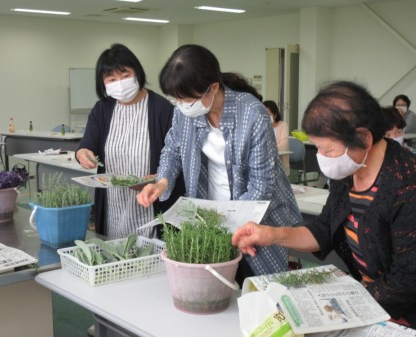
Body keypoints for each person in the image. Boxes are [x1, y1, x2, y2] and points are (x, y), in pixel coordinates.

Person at [232, 80, 416, 327]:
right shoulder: (348, 171)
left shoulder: (405, 183)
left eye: (327, 150)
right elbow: (323, 229)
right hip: (374, 299)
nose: (322, 159)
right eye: (317, 148)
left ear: (363, 137)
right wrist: (270, 234)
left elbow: (406, 280)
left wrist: (342, 309)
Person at [137, 44, 302, 278]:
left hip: (256, 214)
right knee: (216, 284)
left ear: (212, 88)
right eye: (176, 98)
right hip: (213, 211)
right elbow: (173, 149)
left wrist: (228, 221)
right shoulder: (184, 111)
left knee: (256, 283)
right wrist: (162, 182)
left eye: (186, 98)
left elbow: (262, 186)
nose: (181, 104)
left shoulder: (252, 114)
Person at [76, 43, 185, 239]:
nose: (119, 83)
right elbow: (87, 146)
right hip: (113, 203)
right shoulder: (102, 109)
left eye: (125, 76)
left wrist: (156, 179)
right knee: (114, 249)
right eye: (111, 79)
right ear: (103, 83)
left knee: (151, 255)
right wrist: (83, 154)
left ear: (137, 73)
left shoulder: (162, 109)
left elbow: (177, 158)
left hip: (150, 202)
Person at [263, 100, 290, 175]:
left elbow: (283, 146)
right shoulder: (261, 126)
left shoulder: (283, 125)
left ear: (275, 114)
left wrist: (265, 147)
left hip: (279, 164)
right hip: (263, 163)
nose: (266, 116)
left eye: (268, 113)